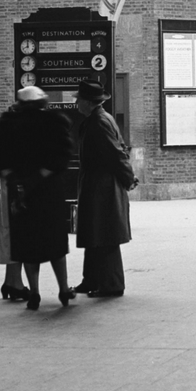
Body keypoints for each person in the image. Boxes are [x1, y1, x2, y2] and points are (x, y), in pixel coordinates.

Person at [0, 86, 74, 311]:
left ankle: (34, 293)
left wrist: (18, 183)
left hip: (19, 190)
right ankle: (63, 289)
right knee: (55, 242)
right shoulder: (55, 122)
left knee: (27, 243)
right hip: (49, 190)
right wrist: (41, 176)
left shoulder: (7, 124)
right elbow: (62, 156)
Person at [73, 82, 137, 298]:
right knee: (95, 232)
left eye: (79, 99)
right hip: (98, 184)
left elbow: (115, 153)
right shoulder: (100, 118)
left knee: (104, 234)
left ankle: (111, 284)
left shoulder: (98, 122)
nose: (76, 102)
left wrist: (128, 178)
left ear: (88, 102)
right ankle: (91, 279)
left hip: (103, 186)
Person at [0, 105, 26, 301]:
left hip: (8, 191)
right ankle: (15, 283)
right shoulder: (16, 143)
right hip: (15, 192)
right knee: (15, 235)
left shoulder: (3, 142)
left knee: (10, 234)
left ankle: (11, 281)